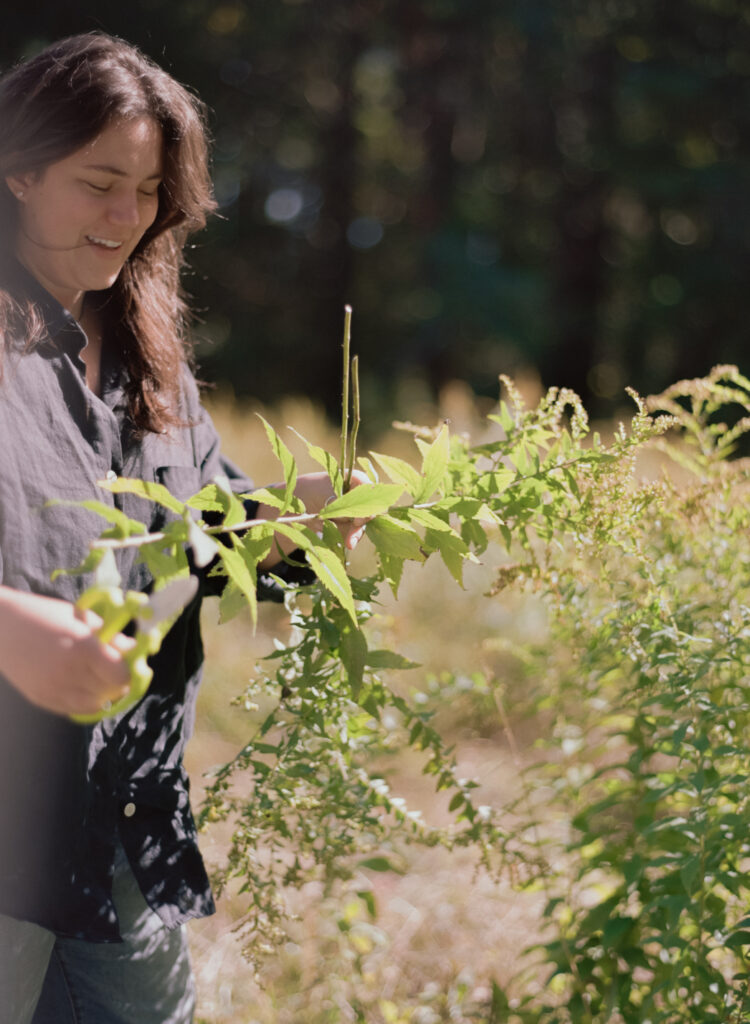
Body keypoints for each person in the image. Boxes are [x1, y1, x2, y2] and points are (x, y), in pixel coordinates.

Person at [0, 32, 364, 1023]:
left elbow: (207, 535)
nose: (127, 218)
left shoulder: (146, 352)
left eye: (151, 190)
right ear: (20, 169)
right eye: (99, 182)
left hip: (124, 808)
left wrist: (298, 532)